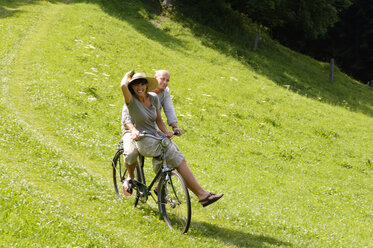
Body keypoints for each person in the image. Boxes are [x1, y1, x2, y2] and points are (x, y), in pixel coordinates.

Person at [120, 71, 223, 207]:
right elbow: (126, 114)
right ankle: (131, 178)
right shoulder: (130, 100)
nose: (139, 87)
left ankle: (202, 195)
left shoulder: (154, 97)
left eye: (142, 84)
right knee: (132, 153)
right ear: (131, 87)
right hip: (134, 132)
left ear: (147, 85)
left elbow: (159, 119)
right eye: (135, 84)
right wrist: (128, 76)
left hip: (151, 133)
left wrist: (169, 130)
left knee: (177, 157)